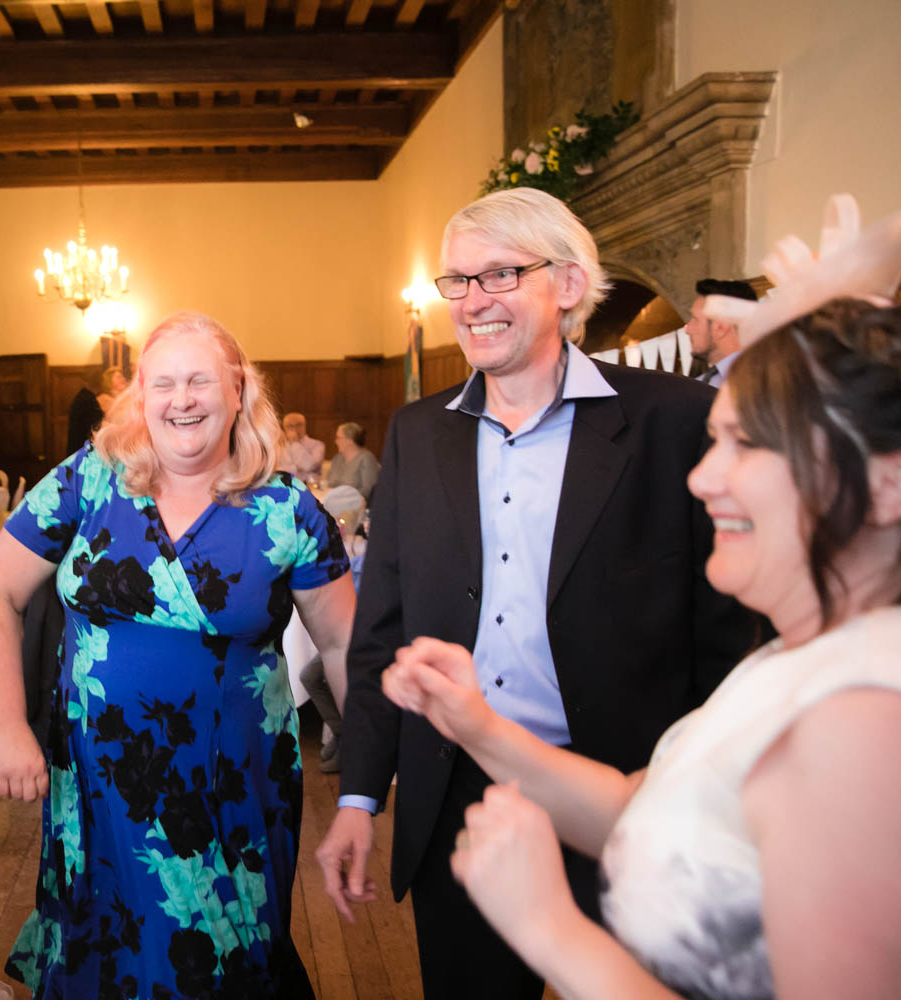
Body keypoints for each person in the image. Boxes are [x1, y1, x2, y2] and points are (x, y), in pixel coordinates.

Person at [380, 205, 901, 1000]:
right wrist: (475, 722)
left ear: (898, 483)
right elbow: (651, 809)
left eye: (749, 445)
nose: (702, 478)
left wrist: (549, 928)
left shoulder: (876, 723)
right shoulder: (801, 660)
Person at [316, 187, 759, 999]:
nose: (473, 301)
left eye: (500, 274)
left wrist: (715, 797)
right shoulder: (419, 432)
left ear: (566, 282)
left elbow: (727, 633)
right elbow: (384, 629)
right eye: (458, 281)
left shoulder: (676, 419)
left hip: (632, 792)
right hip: (463, 794)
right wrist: (357, 795)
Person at [0, 310, 357, 997]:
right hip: (100, 783)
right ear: (139, 395)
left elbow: (343, 645)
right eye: (164, 383)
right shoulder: (89, 481)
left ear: (238, 390)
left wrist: (363, 792)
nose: (182, 400)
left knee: (221, 961)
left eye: (200, 381)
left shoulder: (289, 509)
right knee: (110, 952)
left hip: (234, 784)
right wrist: (6, 728)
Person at [685, 278, 758, 387]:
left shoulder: (763, 381)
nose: (688, 329)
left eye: (695, 319)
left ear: (721, 327)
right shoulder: (696, 385)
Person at [325, 421, 380, 501]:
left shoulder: (366, 458)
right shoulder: (337, 458)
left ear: (350, 440)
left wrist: (344, 498)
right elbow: (329, 483)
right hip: (335, 503)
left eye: (338, 438)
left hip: (356, 506)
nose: (335, 441)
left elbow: (368, 491)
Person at [64, 367, 106, 455]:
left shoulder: (84, 396)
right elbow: (97, 426)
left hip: (77, 447)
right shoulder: (88, 400)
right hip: (82, 449)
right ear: (99, 382)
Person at [277, 411, 325, 483]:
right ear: (284, 428)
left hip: (308, 485)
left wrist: (295, 443)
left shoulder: (317, 445)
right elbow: (276, 469)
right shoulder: (278, 446)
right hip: (283, 485)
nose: (294, 429)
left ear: (305, 425)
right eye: (290, 426)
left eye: (298, 425)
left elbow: (308, 466)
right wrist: (296, 468)